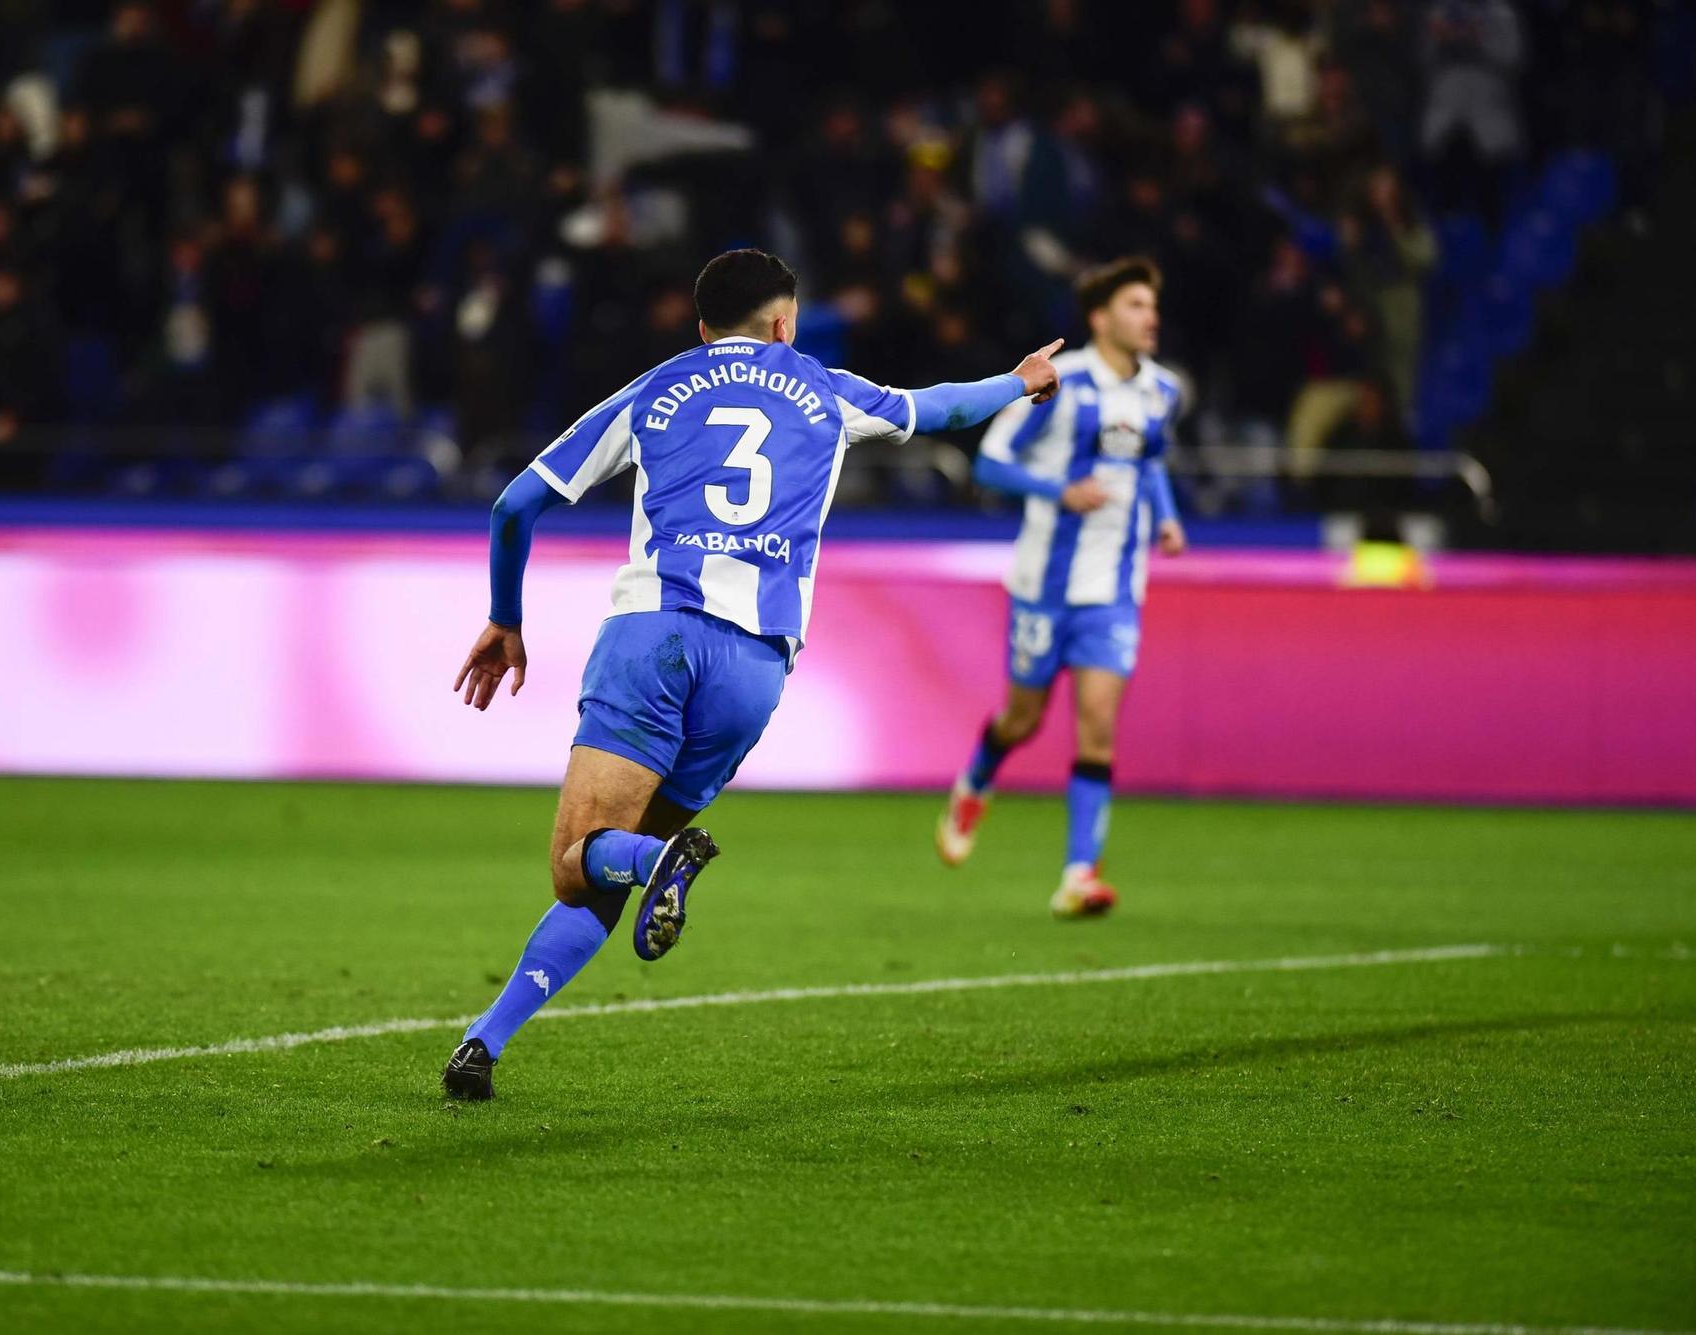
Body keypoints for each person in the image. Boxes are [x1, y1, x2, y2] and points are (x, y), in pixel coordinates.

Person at [441, 249, 1065, 1100]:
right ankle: (484, 1042)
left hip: (652, 638)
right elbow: (944, 407)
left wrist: (507, 617)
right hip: (756, 666)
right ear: (785, 322)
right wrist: (1022, 379)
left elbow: (515, 502)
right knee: (620, 863)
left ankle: (629, 890)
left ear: (702, 329)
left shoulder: (657, 388)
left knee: (578, 861)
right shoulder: (827, 388)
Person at [934, 257, 1187, 918]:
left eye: (1151, 305)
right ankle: (975, 782)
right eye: (1135, 304)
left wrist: (1166, 517)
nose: (1149, 316)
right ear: (1100, 318)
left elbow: (1151, 459)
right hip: (1044, 585)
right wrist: (1059, 489)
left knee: (1098, 726)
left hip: (1115, 589)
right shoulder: (1062, 383)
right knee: (1024, 718)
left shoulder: (1163, 390)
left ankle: (1079, 874)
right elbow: (989, 462)